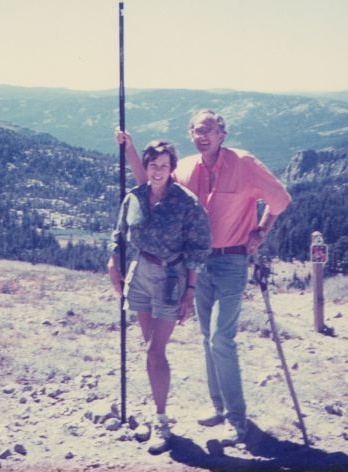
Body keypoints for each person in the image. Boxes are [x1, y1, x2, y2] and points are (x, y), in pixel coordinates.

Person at [116, 109, 292, 447]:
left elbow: (280, 199)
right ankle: (219, 407)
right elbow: (151, 180)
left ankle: (236, 421)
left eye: (209, 129)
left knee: (220, 339)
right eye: (197, 130)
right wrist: (130, 149)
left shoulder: (244, 163)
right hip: (194, 265)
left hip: (230, 260)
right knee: (206, 338)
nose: (203, 135)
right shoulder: (186, 167)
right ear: (191, 134)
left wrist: (262, 229)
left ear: (222, 133)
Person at [108, 140, 211, 454]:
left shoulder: (187, 203)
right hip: (141, 275)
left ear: (172, 168)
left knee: (155, 351)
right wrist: (114, 260)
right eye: (152, 164)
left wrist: (190, 291)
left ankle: (161, 421)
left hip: (171, 278)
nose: (157, 171)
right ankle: (159, 407)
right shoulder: (135, 198)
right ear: (147, 166)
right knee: (149, 348)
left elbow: (198, 248)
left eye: (164, 165)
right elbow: (120, 232)